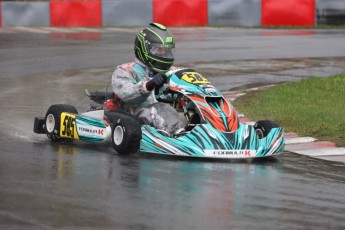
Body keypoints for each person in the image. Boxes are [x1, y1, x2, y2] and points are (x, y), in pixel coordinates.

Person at [107, 22, 185, 135]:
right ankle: (178, 136)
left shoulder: (173, 71)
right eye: (159, 50)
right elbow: (127, 94)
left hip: (169, 114)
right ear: (144, 49)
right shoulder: (125, 71)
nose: (165, 54)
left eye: (166, 50)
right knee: (161, 108)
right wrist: (149, 85)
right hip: (135, 117)